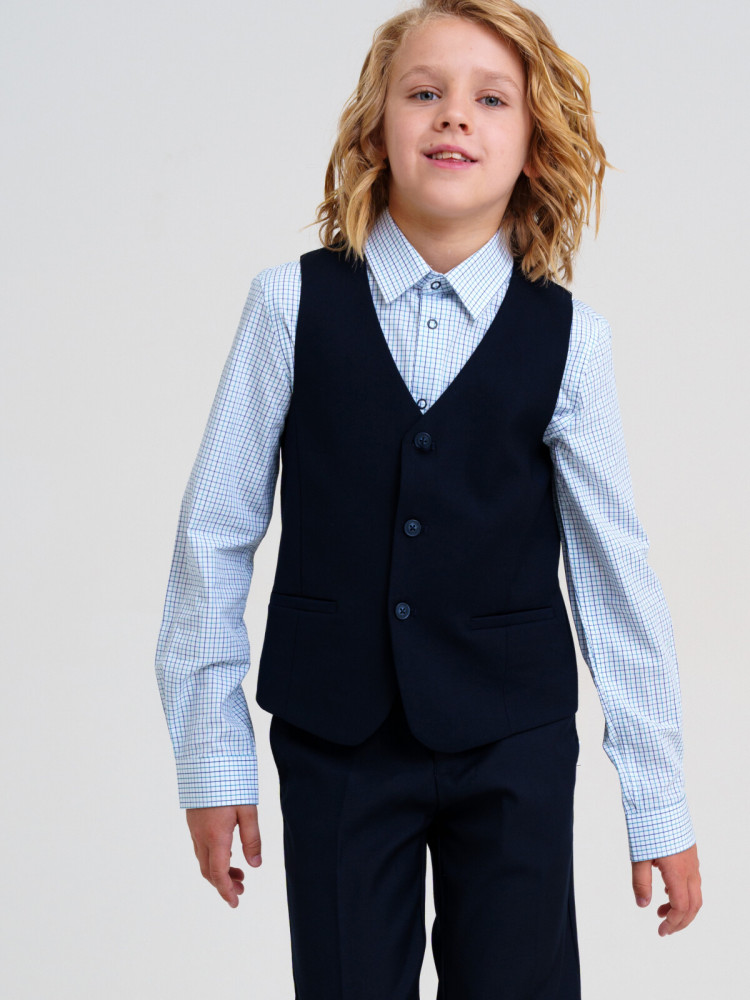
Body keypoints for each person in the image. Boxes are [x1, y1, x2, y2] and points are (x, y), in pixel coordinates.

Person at [154, 0, 702, 995]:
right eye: (424, 93)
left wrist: (658, 803)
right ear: (376, 131)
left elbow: (614, 574)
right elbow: (213, 534)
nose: (454, 115)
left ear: (534, 147)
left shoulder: (572, 338)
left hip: (514, 742)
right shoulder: (290, 304)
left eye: (492, 99)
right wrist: (213, 758)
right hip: (337, 736)